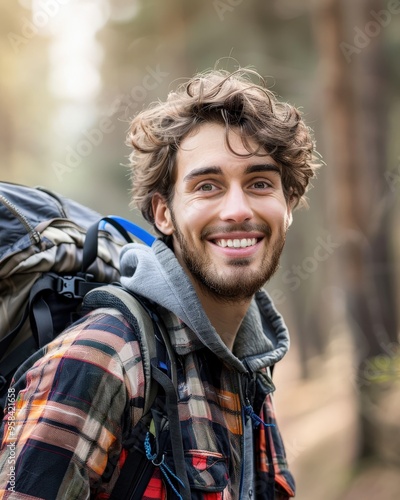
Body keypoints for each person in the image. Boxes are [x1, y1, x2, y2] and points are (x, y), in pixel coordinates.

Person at [0, 68, 319, 499]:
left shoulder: (250, 367)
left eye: (260, 183)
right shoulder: (105, 356)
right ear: (164, 213)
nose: (238, 209)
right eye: (207, 186)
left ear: (289, 204)